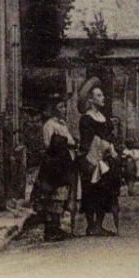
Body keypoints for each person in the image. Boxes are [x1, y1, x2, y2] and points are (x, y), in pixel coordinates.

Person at [77, 82, 124, 237]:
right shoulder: (86, 119)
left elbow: (111, 136)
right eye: (99, 95)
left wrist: (112, 147)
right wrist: (106, 146)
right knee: (91, 190)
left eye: (102, 95)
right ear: (90, 100)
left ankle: (99, 224)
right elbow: (89, 140)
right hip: (91, 159)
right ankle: (91, 225)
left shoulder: (104, 118)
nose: (102, 98)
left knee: (106, 189)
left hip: (105, 159)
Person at [34, 96, 78, 242]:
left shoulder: (63, 124)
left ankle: (57, 227)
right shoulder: (49, 125)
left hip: (66, 161)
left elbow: (70, 140)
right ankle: (50, 229)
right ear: (54, 109)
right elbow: (48, 145)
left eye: (65, 107)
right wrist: (63, 146)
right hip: (55, 163)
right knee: (53, 195)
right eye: (60, 107)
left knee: (63, 194)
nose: (64, 110)